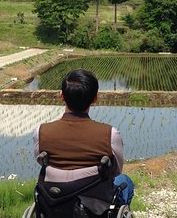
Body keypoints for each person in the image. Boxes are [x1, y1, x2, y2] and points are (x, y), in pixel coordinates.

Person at [32, 68, 134, 205]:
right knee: (124, 180)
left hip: (54, 197)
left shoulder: (41, 131)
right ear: (95, 98)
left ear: (61, 95)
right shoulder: (110, 134)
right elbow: (116, 171)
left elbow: (41, 161)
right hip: (95, 202)